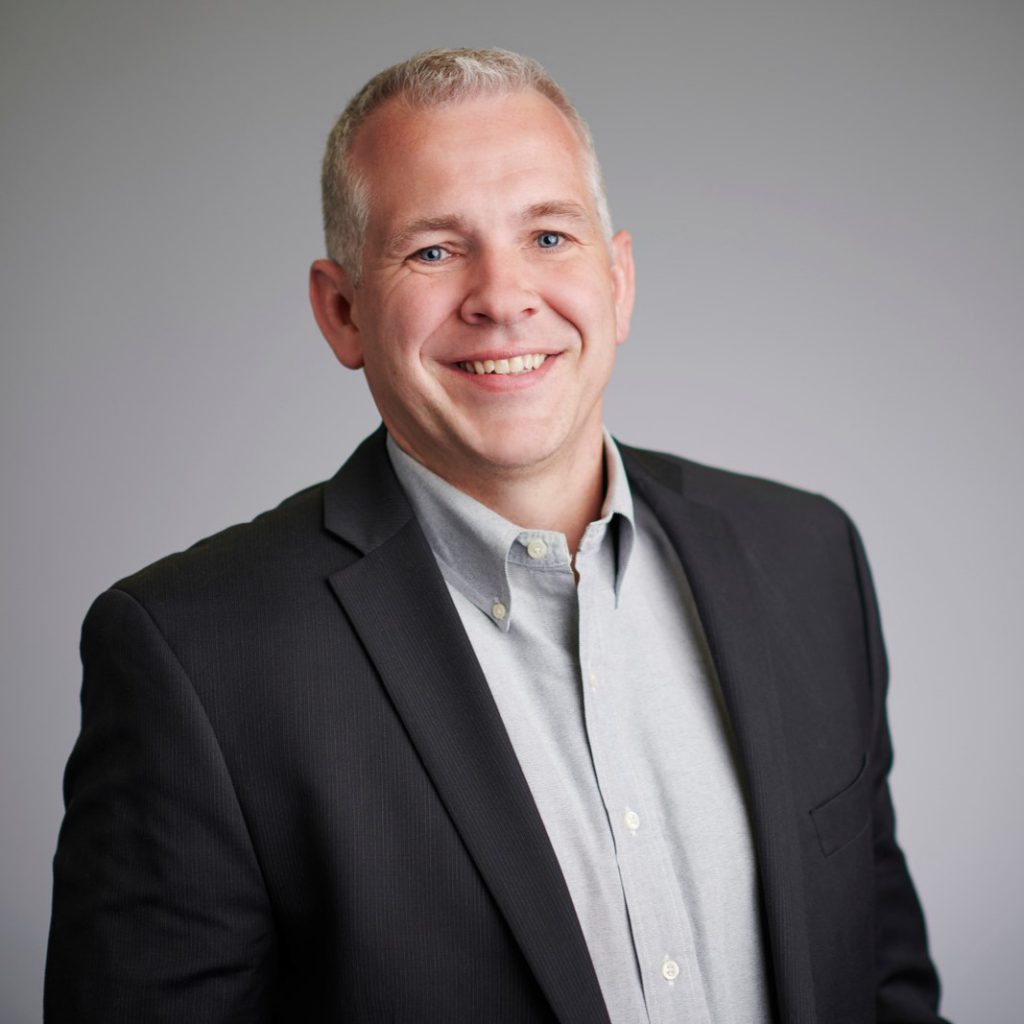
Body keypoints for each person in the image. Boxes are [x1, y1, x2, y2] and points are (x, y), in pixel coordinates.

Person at [45, 48, 948, 1023]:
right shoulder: (197, 657)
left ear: (620, 279)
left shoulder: (805, 559)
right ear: (341, 310)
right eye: (433, 250)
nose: (503, 295)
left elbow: (882, 986)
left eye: (550, 236)